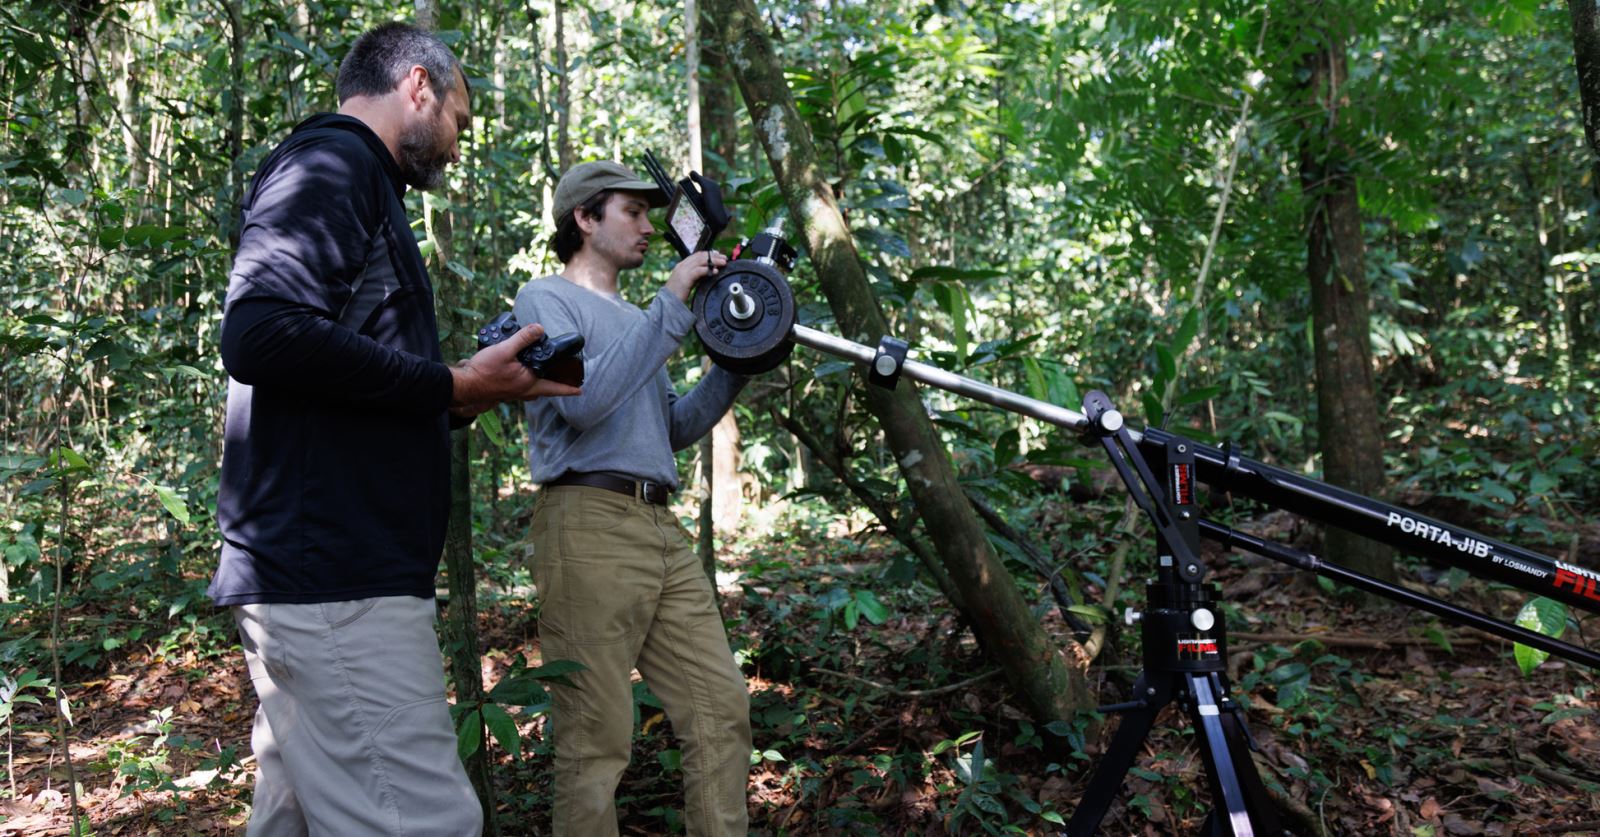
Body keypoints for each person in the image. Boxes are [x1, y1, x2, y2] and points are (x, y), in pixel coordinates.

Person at [208, 22, 577, 836]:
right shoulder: (335, 163)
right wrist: (450, 380)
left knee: (295, 821)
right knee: (425, 821)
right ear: (418, 87)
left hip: (316, 574)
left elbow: (334, 370)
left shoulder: (353, 179)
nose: (455, 146)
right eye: (458, 122)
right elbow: (260, 331)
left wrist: (460, 395)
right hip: (338, 579)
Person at [513, 160, 752, 836]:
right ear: (585, 219)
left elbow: (668, 427)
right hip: (587, 522)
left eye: (654, 215)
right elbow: (585, 403)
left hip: (658, 526)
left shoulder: (636, 317)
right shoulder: (544, 299)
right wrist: (672, 303)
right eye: (634, 212)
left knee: (720, 706)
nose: (650, 227)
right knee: (596, 738)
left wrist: (740, 360)